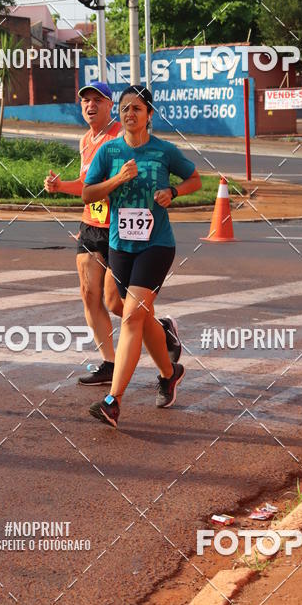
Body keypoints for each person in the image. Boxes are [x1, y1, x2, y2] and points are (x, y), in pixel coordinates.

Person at [44, 80, 180, 386]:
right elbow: (87, 184)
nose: (90, 106)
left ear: (110, 107)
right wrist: (60, 186)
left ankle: (162, 330)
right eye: (85, 101)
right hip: (92, 224)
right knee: (88, 295)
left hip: (122, 228)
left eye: (98, 100)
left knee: (116, 303)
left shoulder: (122, 137)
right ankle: (109, 362)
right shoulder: (87, 140)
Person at [82, 84, 201, 427]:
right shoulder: (109, 152)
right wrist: (117, 179)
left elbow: (195, 179)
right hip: (121, 245)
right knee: (132, 311)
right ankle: (169, 371)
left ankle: (112, 400)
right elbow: (89, 194)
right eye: (124, 108)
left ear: (149, 115)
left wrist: (173, 191)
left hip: (157, 244)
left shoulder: (164, 151)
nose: (129, 113)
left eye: (137, 108)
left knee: (132, 316)